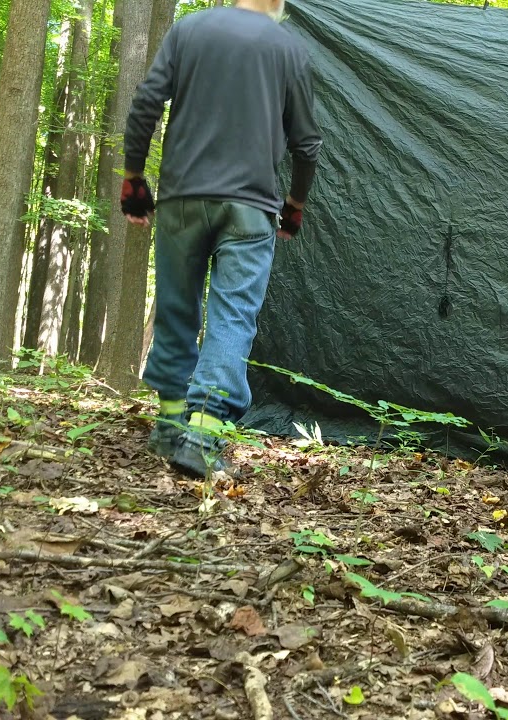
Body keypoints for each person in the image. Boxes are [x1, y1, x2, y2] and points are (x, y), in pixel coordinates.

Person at [119, 0, 322, 477]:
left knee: (175, 308)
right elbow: (307, 143)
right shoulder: (288, 49)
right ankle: (203, 433)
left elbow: (146, 102)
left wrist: (134, 178)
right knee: (232, 317)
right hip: (250, 209)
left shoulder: (190, 30)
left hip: (182, 199)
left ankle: (169, 427)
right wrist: (295, 205)